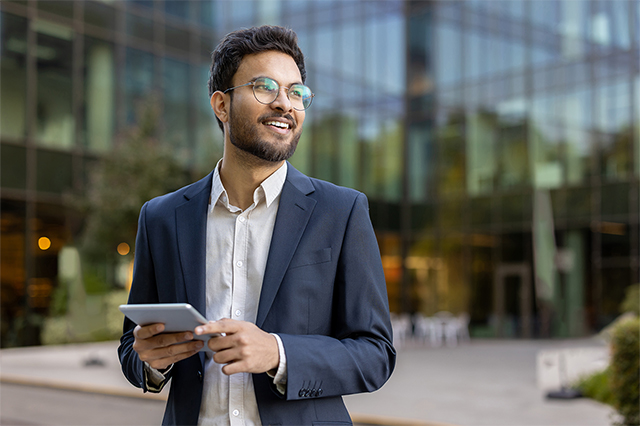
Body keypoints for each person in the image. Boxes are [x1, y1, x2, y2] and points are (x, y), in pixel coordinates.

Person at [118, 25, 395, 426]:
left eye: (296, 92)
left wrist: (278, 353)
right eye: (265, 87)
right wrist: (151, 362)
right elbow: (132, 346)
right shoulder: (161, 217)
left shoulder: (342, 211)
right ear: (221, 105)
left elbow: (376, 353)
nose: (285, 104)